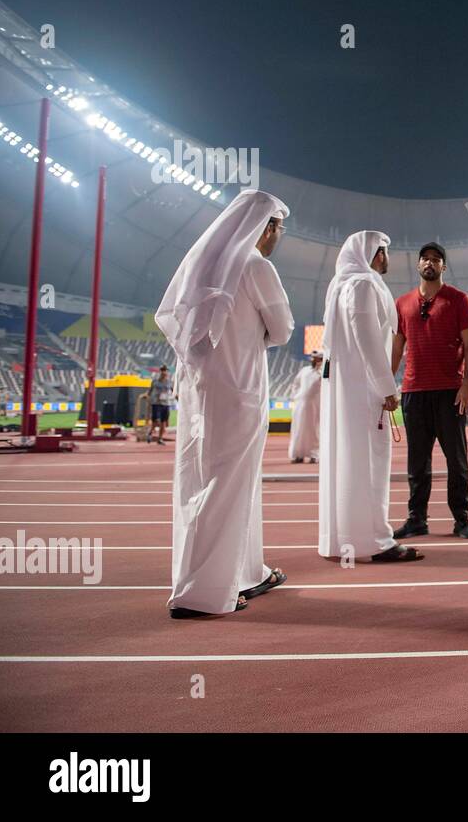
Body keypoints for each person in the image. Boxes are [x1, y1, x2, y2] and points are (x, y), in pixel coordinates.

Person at [155, 190, 293, 618]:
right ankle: (202, 593)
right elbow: (284, 329)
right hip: (239, 391)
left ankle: (247, 572)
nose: (277, 238)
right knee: (227, 485)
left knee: (201, 480)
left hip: (198, 392)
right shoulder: (254, 265)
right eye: (278, 229)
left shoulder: (202, 264)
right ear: (265, 227)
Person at [319, 231, 422, 564]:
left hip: (347, 387)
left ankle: (344, 539)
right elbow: (367, 339)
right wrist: (386, 388)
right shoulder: (363, 284)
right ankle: (375, 541)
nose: (386, 257)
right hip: (363, 389)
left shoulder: (342, 285)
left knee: (350, 461)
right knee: (370, 464)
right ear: (374, 254)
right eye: (384, 251)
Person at [390, 242, 468, 539]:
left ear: (444, 266)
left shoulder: (459, 300)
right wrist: (386, 383)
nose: (430, 263)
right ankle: (417, 518)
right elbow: (396, 347)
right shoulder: (402, 303)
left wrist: (467, 385)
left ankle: (461, 519)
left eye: (436, 259)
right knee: (417, 461)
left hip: (449, 391)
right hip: (413, 391)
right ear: (418, 265)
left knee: (456, 460)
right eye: (425, 259)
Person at [287, 351, 323, 463]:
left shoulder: (322, 373)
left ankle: (314, 454)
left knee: (314, 430)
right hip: (300, 404)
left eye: (316, 358)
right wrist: (296, 396)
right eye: (313, 358)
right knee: (298, 429)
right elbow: (296, 384)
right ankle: (298, 454)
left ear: (320, 360)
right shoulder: (305, 371)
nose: (313, 360)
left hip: (315, 405)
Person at [146, 365, 173, 444]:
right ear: (160, 371)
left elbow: (173, 391)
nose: (164, 372)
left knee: (163, 422)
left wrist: (179, 398)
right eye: (162, 370)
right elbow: (150, 391)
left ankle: (160, 439)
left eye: (165, 370)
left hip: (166, 403)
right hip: (156, 403)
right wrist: (147, 396)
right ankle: (150, 432)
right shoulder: (155, 381)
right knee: (156, 421)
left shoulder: (169, 382)